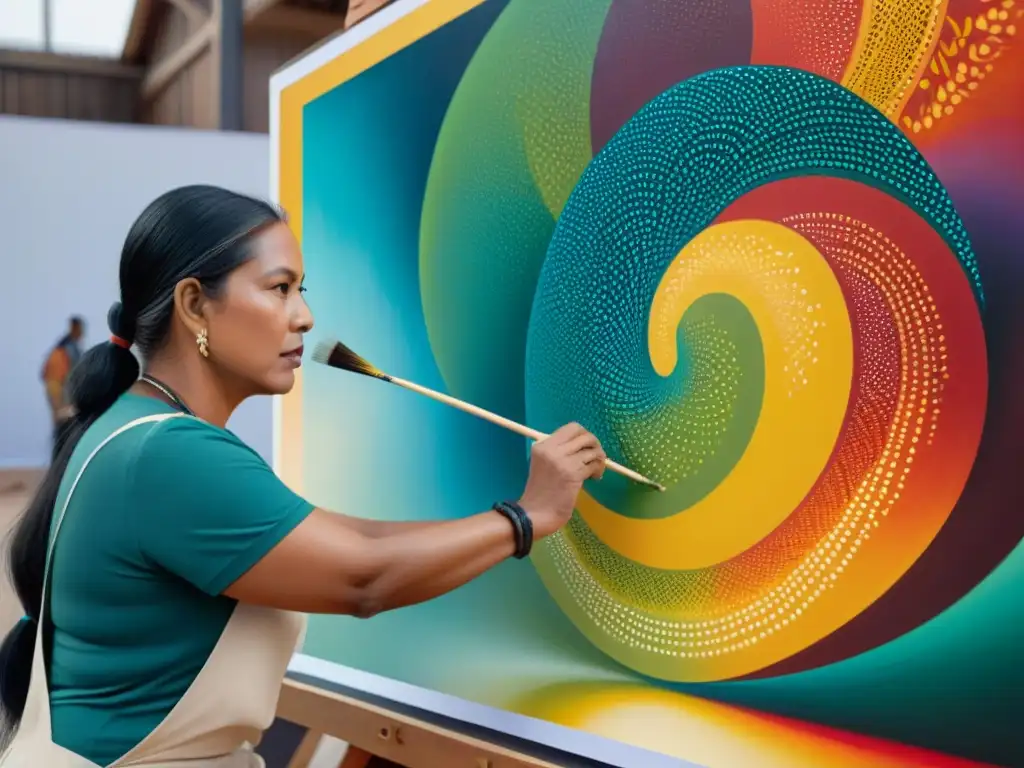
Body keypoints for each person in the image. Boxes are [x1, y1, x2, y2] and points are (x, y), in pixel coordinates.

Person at [0, 185, 606, 767]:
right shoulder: (170, 454)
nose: (306, 317)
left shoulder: (138, 427)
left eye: (301, 288)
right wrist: (527, 517)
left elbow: (352, 542)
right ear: (193, 305)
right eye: (280, 288)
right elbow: (363, 576)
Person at [41, 316, 85, 449]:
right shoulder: (62, 352)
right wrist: (60, 407)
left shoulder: (72, 349)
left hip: (68, 400)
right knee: (63, 434)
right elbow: (53, 381)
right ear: (74, 328)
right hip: (62, 400)